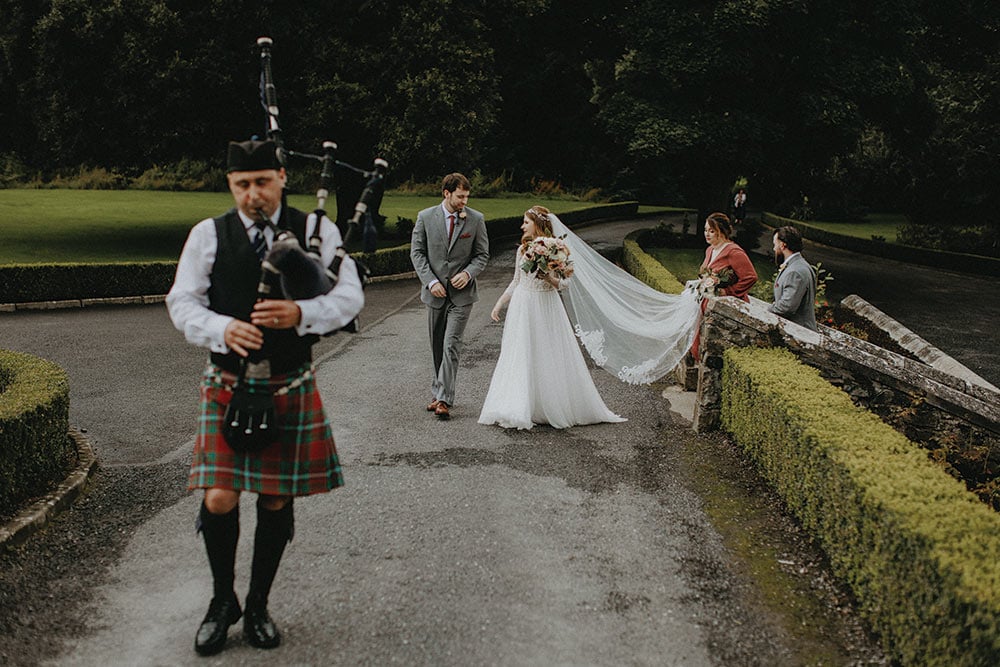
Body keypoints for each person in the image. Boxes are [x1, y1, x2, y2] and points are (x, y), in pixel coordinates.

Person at [166, 139, 364, 656]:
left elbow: (348, 297)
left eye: (261, 182)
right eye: (241, 185)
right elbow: (182, 301)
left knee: (276, 497)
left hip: (289, 381)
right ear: (231, 185)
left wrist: (303, 315)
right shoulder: (208, 235)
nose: (252, 194)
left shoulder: (316, 230)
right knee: (219, 496)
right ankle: (220, 600)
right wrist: (222, 327)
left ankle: (257, 604)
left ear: (281, 177)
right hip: (228, 384)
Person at [478, 206, 626, 430]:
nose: (522, 226)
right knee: (520, 353)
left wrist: (548, 277)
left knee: (547, 352)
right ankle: (519, 405)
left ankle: (549, 405)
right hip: (522, 305)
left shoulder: (558, 250)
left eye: (526, 222)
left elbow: (565, 284)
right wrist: (499, 303)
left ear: (537, 224)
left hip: (545, 304)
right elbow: (516, 280)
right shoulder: (522, 251)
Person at [410, 173, 490, 420]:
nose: (465, 201)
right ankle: (438, 392)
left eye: (467, 196)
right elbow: (417, 253)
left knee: (451, 344)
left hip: (462, 296)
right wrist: (431, 281)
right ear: (447, 193)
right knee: (436, 345)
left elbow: (482, 255)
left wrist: (467, 274)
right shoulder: (425, 217)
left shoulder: (476, 219)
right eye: (460, 196)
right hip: (434, 293)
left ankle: (443, 399)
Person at [691, 212, 758, 359]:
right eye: (705, 230)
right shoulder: (710, 250)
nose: (706, 234)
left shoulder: (733, 252)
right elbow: (704, 273)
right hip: (706, 303)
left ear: (721, 231)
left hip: (724, 308)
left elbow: (750, 277)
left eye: (711, 231)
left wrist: (728, 291)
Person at [769, 225, 818, 330]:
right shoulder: (801, 265)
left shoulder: (795, 271)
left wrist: (767, 309)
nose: (774, 249)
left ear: (782, 245)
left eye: (775, 245)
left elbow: (787, 307)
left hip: (799, 332)